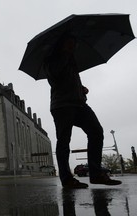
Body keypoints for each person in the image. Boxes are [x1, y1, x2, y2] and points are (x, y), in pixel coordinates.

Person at [45, 34, 122, 189]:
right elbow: (55, 76)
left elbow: (68, 81)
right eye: (70, 43)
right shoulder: (52, 59)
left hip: (79, 104)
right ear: (62, 44)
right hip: (62, 106)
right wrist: (65, 54)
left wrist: (80, 89)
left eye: (74, 44)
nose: (73, 46)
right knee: (64, 141)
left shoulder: (71, 61)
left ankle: (96, 174)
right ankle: (66, 179)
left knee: (96, 131)